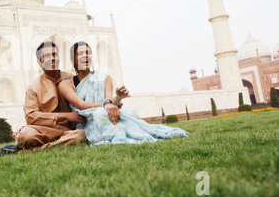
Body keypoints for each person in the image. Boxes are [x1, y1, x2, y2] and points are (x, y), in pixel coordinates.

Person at [58, 41, 189, 146]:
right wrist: (106, 104)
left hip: (106, 114)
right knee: (100, 113)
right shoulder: (66, 84)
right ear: (73, 59)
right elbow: (81, 105)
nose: (85, 56)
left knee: (120, 114)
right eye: (80, 53)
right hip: (87, 120)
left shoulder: (104, 78)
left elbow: (110, 104)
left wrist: (118, 97)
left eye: (88, 53)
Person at [13, 41, 87, 151]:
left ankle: (38, 149)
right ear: (39, 61)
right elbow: (30, 117)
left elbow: (87, 101)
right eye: (47, 56)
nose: (53, 58)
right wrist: (65, 116)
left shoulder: (72, 79)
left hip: (68, 131)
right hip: (43, 130)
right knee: (25, 136)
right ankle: (58, 144)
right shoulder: (33, 87)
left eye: (55, 54)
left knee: (81, 136)